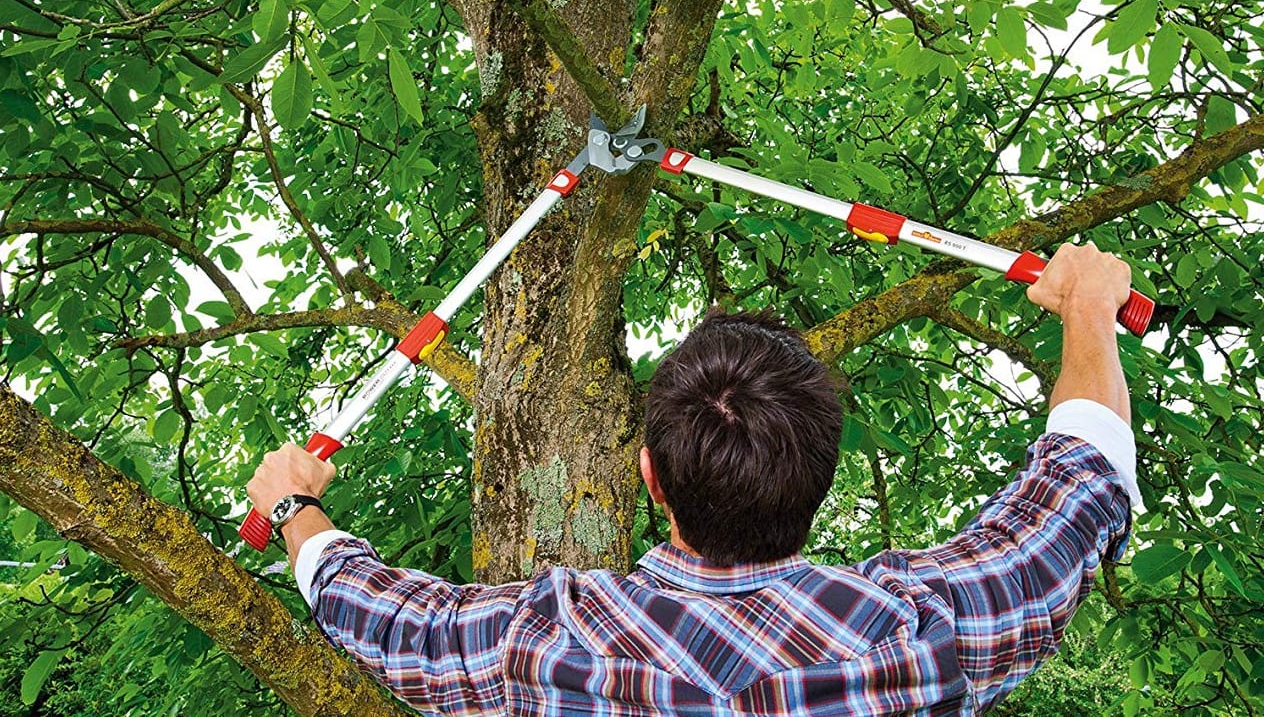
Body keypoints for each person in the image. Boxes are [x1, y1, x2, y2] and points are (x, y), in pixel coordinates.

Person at [248, 243, 1140, 716]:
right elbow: (1076, 481)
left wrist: (296, 509)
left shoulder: (547, 642)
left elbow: (393, 618)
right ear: (818, 475)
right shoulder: (922, 630)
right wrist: (1090, 309)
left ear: (649, 477)